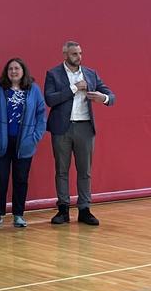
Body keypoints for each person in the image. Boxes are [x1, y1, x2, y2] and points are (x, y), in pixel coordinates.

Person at [44, 40, 116, 226]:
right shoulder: (53, 74)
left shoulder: (91, 73)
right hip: (62, 127)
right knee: (61, 170)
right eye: (75, 54)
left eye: (80, 53)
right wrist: (74, 88)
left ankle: (84, 209)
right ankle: (63, 209)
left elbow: (111, 95)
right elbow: (50, 99)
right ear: (65, 54)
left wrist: (103, 98)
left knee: (85, 171)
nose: (79, 57)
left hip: (84, 127)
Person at [0, 58, 46, 229]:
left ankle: (18, 215)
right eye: (10, 69)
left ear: (23, 71)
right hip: (2, 142)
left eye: (17, 68)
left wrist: (35, 137)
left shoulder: (33, 90)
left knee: (21, 179)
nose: (13, 71)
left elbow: (41, 115)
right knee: (0, 179)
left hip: (24, 143)